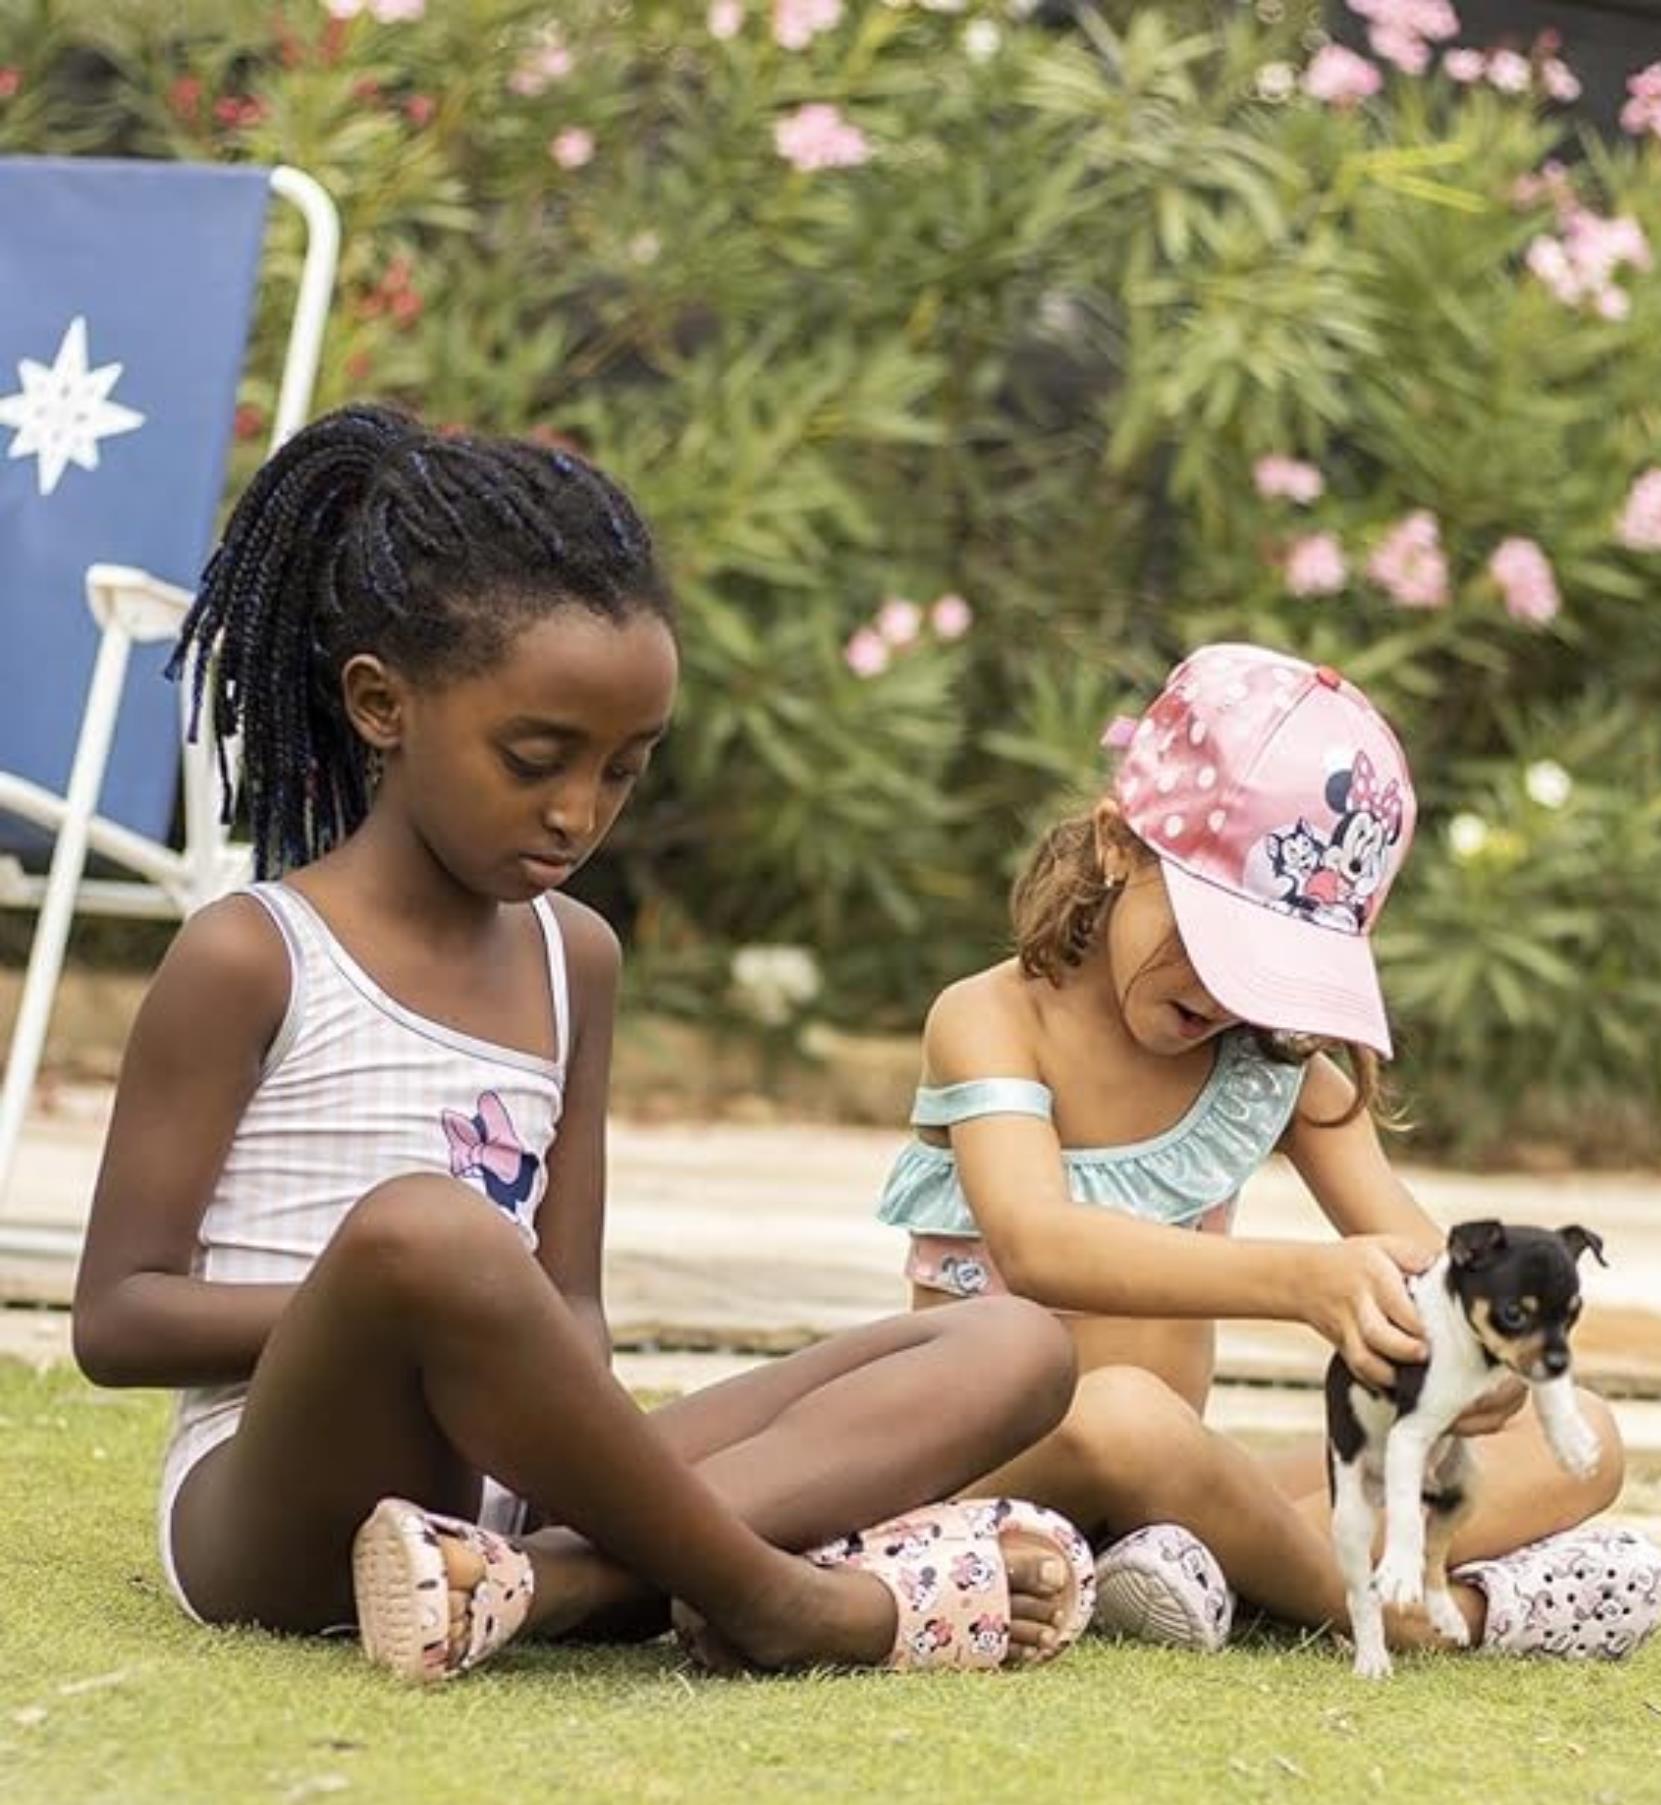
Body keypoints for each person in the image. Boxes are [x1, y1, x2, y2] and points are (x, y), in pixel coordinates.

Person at [72, 405, 1093, 1685]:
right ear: (382, 704)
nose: (578, 811)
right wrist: (421, 1318)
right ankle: (786, 1602)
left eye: (624, 768)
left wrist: (521, 1367)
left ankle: (545, 1586)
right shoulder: (252, 952)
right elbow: (115, 1320)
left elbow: (571, 1308)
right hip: (271, 1509)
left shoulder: (577, 959)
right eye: (537, 757)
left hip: (509, 1491)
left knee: (1014, 1340)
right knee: (429, 1233)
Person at [879, 643, 1661, 1661]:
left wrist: (1475, 1350)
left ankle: (1213, 1571)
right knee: (1122, 1413)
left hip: (1177, 1494)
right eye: (1213, 948)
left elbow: (1415, 1248)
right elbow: (1037, 1243)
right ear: (1121, 845)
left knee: (1583, 1433)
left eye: (1268, 972)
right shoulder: (989, 1019)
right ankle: (1431, 1615)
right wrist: (1296, 1279)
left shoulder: (1264, 1061)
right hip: (997, 1463)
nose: (1225, 996)